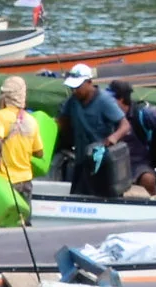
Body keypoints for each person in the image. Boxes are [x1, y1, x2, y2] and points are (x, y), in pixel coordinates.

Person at [56, 67, 131, 197]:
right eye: (72, 88)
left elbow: (125, 125)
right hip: (81, 159)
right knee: (77, 195)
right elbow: (63, 121)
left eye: (78, 87)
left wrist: (114, 137)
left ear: (89, 82)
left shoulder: (104, 101)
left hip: (101, 161)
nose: (75, 91)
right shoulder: (73, 101)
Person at [0, 74, 45, 195]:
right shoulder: (31, 121)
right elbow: (39, 153)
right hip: (25, 181)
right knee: (23, 213)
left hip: (3, 180)